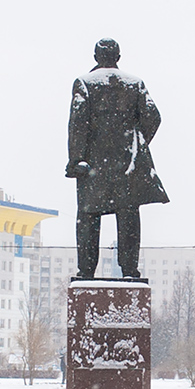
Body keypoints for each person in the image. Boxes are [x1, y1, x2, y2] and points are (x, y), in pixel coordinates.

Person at [66, 39, 168, 280]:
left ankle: (86, 272)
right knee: (128, 217)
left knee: (88, 217)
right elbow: (153, 117)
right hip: (126, 165)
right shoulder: (134, 84)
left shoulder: (85, 84)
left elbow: (78, 124)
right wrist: (135, 144)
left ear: (96, 56)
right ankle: (130, 271)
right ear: (118, 57)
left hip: (93, 167)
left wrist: (77, 159)